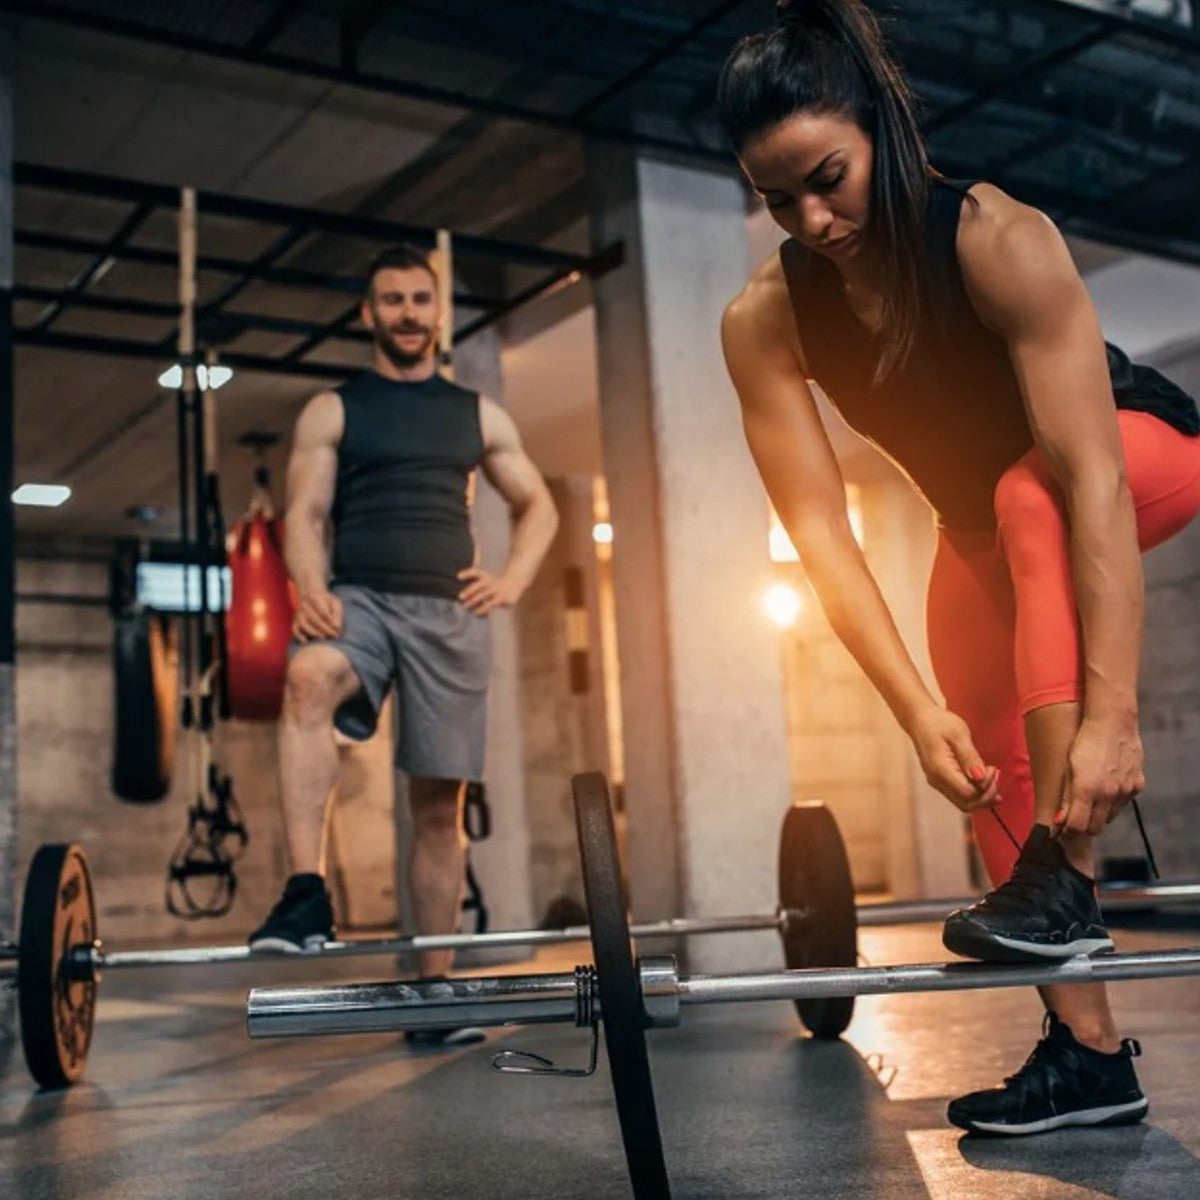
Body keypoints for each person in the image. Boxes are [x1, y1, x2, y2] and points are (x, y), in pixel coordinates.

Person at [718, 0, 1200, 1135]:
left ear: (880, 123)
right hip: (983, 522)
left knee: (1029, 494)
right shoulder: (767, 321)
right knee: (982, 761)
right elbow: (824, 540)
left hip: (1140, 453)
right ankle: (1089, 1058)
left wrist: (1115, 715)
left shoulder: (995, 235)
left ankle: (1066, 876)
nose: (812, 215)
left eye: (826, 175)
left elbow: (1087, 486)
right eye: (777, 197)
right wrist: (912, 710)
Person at [248, 245, 559, 1038]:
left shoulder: (477, 413)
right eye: (393, 300)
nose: (410, 314)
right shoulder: (334, 409)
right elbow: (307, 515)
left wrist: (514, 581)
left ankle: (433, 994)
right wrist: (308, 589)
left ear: (438, 312)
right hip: (358, 601)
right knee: (309, 678)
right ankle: (306, 892)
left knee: (436, 810)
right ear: (369, 312)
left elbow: (539, 505)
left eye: (421, 300)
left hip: (448, 614)